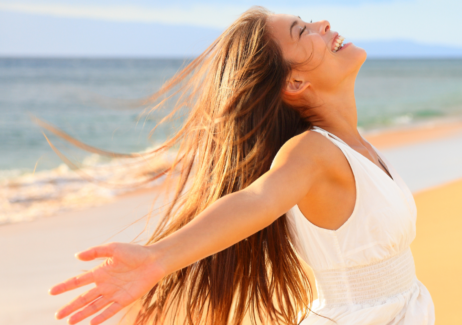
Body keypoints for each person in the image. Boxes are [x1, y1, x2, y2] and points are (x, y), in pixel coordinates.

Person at [48, 6, 435, 325]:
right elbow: (257, 199)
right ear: (296, 82)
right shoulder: (312, 153)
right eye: (303, 31)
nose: (324, 24)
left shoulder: (356, 146)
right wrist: (160, 257)